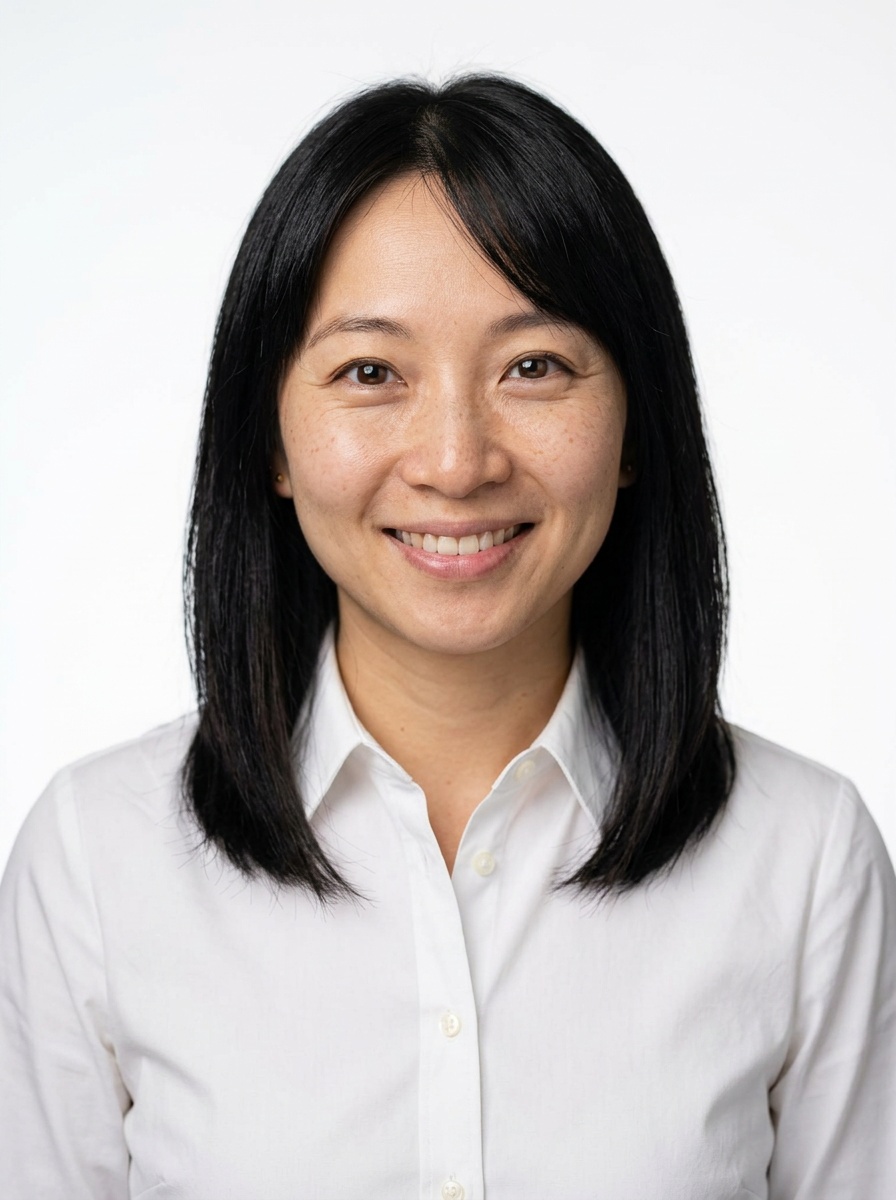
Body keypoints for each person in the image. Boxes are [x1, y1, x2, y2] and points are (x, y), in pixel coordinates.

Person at [1, 74, 894, 1200]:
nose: (457, 459)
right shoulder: (98, 860)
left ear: (633, 427)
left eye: (534, 367)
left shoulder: (802, 861)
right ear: (269, 439)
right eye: (369, 373)